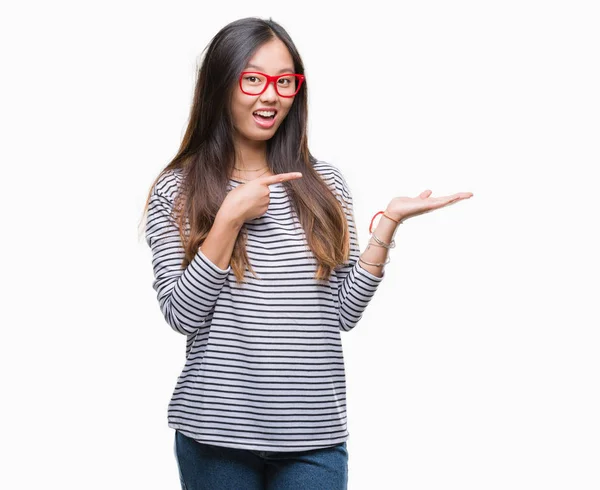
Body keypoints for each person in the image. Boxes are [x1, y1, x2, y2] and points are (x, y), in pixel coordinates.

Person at [142, 16, 473, 490]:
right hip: (214, 436)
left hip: (314, 437)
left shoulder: (325, 185)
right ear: (221, 85)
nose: (271, 95)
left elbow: (342, 312)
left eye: (284, 81)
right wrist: (229, 218)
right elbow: (182, 315)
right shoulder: (179, 189)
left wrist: (388, 226)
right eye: (252, 78)